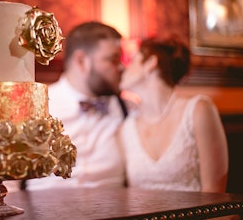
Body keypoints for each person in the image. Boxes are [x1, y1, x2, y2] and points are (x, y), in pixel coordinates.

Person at [24, 21, 128, 190]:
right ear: (81, 61)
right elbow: (2, 179)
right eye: (113, 60)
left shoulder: (126, 108)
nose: (121, 67)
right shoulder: (36, 106)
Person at [118, 36, 229, 193]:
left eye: (132, 60)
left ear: (150, 63)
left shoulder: (198, 110)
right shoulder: (127, 127)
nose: (123, 68)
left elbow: (214, 193)